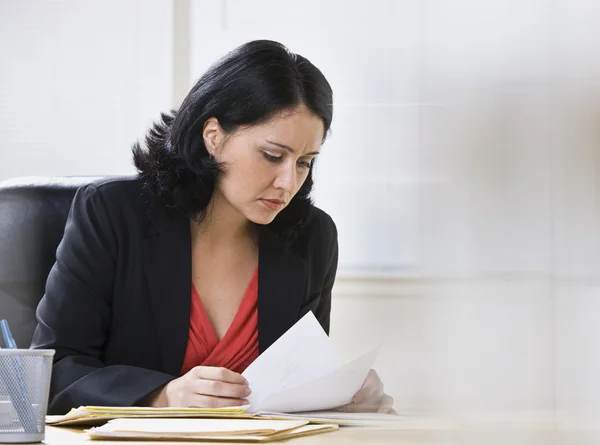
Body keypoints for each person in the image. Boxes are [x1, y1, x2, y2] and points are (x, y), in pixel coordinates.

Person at [31, 40, 394, 415]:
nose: (288, 182)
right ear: (213, 137)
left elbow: (294, 391)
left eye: (304, 162)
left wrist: (342, 399)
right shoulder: (111, 213)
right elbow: (53, 369)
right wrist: (161, 395)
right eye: (272, 156)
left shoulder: (312, 238)